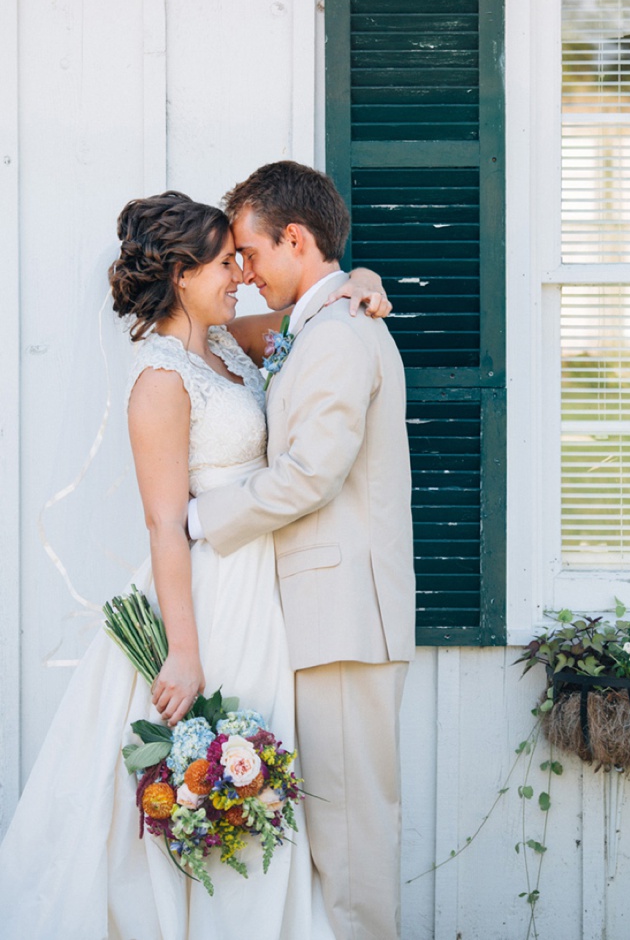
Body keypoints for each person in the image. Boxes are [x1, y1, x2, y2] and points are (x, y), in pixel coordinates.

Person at [0, 190, 389, 940]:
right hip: (209, 596)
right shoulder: (161, 382)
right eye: (222, 262)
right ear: (181, 274)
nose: (240, 274)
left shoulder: (231, 344)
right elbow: (162, 526)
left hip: (261, 588)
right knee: (200, 772)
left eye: (241, 259)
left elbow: (316, 308)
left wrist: (363, 278)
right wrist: (183, 650)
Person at [189, 161, 416, 940]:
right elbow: (207, 331)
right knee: (335, 836)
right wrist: (362, 273)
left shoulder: (339, 335)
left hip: (346, 618)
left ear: (294, 238)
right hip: (321, 618)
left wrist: (200, 518)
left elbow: (309, 478)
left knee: (352, 845)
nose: (244, 274)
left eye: (249, 252)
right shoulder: (318, 324)